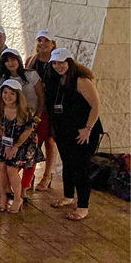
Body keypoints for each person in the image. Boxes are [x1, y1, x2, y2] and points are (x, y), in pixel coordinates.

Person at [43, 48, 103, 221]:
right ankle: (68, 196)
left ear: (69, 62)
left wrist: (88, 129)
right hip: (64, 132)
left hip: (82, 132)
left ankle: (83, 206)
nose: (58, 66)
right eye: (55, 63)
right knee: (68, 165)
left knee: (80, 168)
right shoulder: (56, 80)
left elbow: (95, 105)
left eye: (61, 62)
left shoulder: (81, 80)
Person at [0, 79, 44, 214]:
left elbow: (28, 131)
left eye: (12, 93)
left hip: (23, 142)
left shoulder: (26, 110)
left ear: (18, 96)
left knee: (11, 168)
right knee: (1, 166)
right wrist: (6, 145)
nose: (8, 96)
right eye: (5, 92)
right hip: (6, 141)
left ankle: (17, 198)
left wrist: (15, 146)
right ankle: (3, 196)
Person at [25, 30, 58, 191]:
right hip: (37, 106)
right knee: (34, 139)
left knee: (50, 140)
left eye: (46, 40)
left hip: (54, 106)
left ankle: (47, 175)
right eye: (40, 40)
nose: (42, 43)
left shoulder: (58, 61)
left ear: (53, 44)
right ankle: (29, 174)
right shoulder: (31, 61)